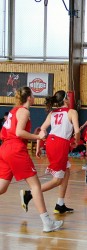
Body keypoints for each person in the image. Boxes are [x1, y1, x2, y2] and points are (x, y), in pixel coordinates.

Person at [0, 86, 63, 232]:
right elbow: (19, 132)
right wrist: (37, 137)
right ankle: (47, 223)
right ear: (29, 98)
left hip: (5, 149)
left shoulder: (13, 111)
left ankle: (47, 222)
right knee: (35, 186)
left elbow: (5, 132)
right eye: (33, 95)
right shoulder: (24, 111)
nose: (34, 98)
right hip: (15, 149)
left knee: (2, 187)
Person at [20, 90, 80, 214]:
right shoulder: (72, 112)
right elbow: (77, 131)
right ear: (65, 100)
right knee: (57, 180)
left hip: (51, 143)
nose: (69, 99)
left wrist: (37, 147)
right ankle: (29, 194)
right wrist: (76, 142)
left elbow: (41, 130)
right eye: (68, 97)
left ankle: (60, 204)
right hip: (60, 144)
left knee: (66, 172)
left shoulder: (52, 113)